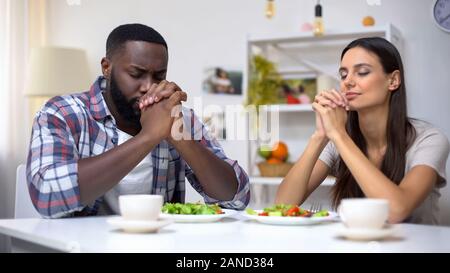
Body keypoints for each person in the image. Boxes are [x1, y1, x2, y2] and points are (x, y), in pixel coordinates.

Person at [27, 24, 250, 218]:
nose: (148, 86)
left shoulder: (179, 116)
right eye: (136, 74)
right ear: (107, 67)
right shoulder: (62, 113)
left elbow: (237, 198)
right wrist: (149, 136)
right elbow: (47, 196)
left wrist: (182, 140)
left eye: (159, 76)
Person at [276, 37, 449, 225]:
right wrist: (319, 136)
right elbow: (283, 206)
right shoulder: (338, 139)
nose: (348, 82)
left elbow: (396, 210)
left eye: (362, 72)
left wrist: (339, 135)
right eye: (343, 75)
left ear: (393, 80)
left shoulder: (428, 139)